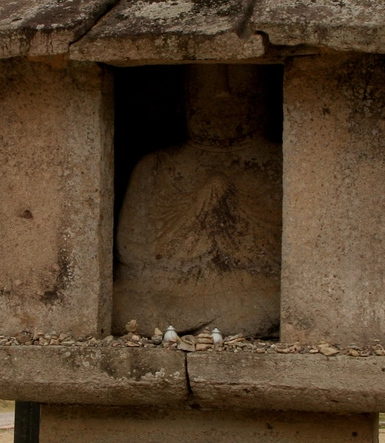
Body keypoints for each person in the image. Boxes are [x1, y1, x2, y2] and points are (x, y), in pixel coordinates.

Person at [113, 64, 282, 337]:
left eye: (243, 89)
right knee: (119, 303)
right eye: (203, 89)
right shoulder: (156, 165)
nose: (222, 96)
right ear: (183, 100)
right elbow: (130, 250)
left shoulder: (280, 163)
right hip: (166, 289)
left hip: (255, 286)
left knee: (277, 303)